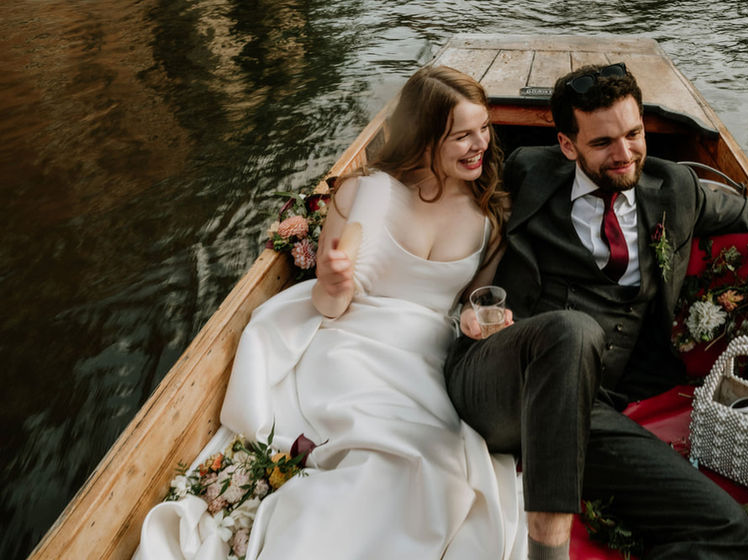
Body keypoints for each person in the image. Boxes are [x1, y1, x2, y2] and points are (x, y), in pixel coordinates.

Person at [445, 63, 748, 560]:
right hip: (499, 382)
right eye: (602, 143)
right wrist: (459, 311)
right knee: (574, 330)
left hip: (589, 408)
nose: (624, 154)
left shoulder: (673, 188)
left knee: (729, 532)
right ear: (567, 146)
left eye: (634, 134)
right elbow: (442, 194)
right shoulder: (528, 170)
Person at [133, 66, 527, 560]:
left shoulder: (490, 215)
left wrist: (472, 322)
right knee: (385, 454)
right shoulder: (365, 193)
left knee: (440, 463)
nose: (481, 146)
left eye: (484, 129)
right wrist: (334, 282)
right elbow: (329, 304)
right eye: (462, 135)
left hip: (427, 357)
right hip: (351, 346)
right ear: (425, 138)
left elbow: (471, 303)